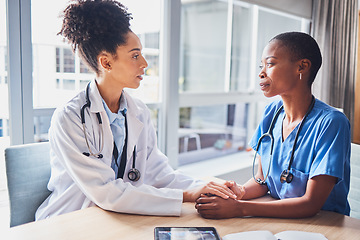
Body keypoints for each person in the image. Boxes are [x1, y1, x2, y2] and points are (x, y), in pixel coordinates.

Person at [36, 0, 236, 220]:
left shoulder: (137, 110)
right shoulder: (71, 117)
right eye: (135, 55)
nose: (144, 63)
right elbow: (105, 191)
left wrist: (208, 186)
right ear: (106, 63)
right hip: (70, 220)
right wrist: (187, 195)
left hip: (117, 217)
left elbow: (158, 173)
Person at [195, 32, 351, 219]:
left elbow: (311, 204)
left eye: (270, 64)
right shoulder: (272, 113)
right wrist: (238, 192)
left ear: (302, 66)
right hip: (278, 217)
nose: (261, 73)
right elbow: (263, 181)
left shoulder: (332, 123)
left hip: (323, 224)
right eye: (261, 66)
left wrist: (239, 208)